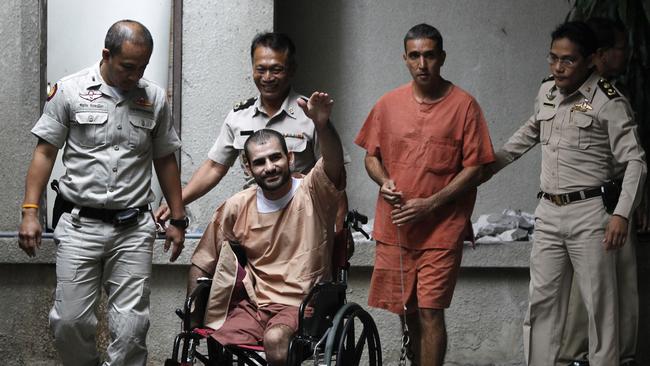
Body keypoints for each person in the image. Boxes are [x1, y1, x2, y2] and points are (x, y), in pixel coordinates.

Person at [17, 20, 187, 366]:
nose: (135, 74)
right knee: (69, 323)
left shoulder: (152, 98)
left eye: (142, 67)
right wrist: (30, 211)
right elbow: (44, 153)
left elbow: (165, 159)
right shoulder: (69, 91)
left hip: (133, 228)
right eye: (128, 66)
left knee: (131, 329)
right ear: (106, 55)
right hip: (80, 225)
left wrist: (178, 217)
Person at [483, 21, 646, 366]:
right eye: (553, 58)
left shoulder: (606, 102)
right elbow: (528, 133)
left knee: (600, 309)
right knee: (541, 303)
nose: (558, 67)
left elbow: (635, 161)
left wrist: (621, 214)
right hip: (549, 213)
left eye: (568, 60)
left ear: (590, 60)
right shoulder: (549, 93)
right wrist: (484, 168)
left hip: (591, 216)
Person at [355, 23, 496, 366]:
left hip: (441, 228)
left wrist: (431, 204)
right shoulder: (388, 104)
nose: (422, 64)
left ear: (442, 57)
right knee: (407, 311)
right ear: (405, 58)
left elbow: (476, 168)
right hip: (397, 227)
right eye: (415, 56)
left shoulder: (464, 106)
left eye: (430, 55)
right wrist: (384, 181)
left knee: (431, 311)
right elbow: (370, 156)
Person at [188, 91, 344, 366]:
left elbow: (332, 163)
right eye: (259, 162)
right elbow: (203, 260)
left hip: (303, 303)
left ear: (290, 159)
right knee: (217, 341)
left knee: (275, 340)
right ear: (248, 168)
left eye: (276, 158)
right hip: (256, 304)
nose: (269, 167)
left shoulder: (312, 192)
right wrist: (192, 315)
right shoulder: (237, 206)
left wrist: (322, 124)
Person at [155, 32, 349, 231]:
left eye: (276, 69)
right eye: (260, 69)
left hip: (303, 221)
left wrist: (340, 229)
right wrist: (176, 204)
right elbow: (214, 168)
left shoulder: (310, 114)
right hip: (256, 224)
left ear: (291, 70)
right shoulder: (239, 116)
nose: (267, 77)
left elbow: (333, 174)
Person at [558, 17, 640, 366]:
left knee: (603, 293)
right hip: (604, 204)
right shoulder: (592, 99)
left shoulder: (596, 96)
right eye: (621, 48)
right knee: (610, 295)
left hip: (608, 201)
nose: (628, 54)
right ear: (600, 55)